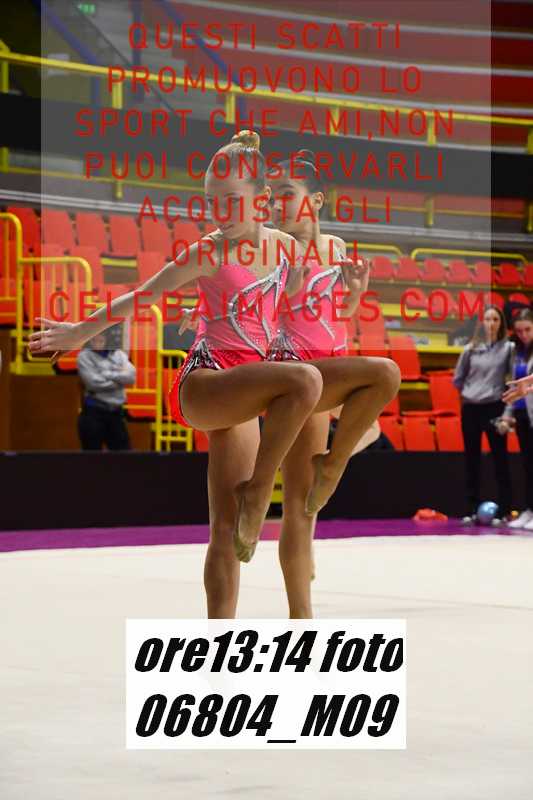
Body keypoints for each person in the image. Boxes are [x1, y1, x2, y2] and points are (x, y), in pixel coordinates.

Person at [266, 149, 400, 614]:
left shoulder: (336, 248)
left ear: (316, 200)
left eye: (287, 194)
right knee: (299, 507)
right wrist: (289, 288)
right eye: (272, 197)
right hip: (297, 374)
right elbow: (259, 319)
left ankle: (334, 464)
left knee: (369, 428)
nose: (277, 205)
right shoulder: (271, 250)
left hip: (332, 364)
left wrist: (356, 292)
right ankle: (300, 616)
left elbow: (339, 311)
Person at [453, 305, 514, 524]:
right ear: (482, 323)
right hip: (471, 409)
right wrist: (471, 392)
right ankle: (471, 508)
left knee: (500, 459)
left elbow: (512, 381)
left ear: (501, 323)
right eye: (487, 319)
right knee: (472, 459)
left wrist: (507, 412)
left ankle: (504, 510)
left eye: (495, 319)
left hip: (494, 407)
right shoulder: (470, 349)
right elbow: (458, 379)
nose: (491, 323)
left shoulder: (508, 348)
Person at [500, 309, 533, 529]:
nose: (524, 335)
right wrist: (507, 415)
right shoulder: (515, 352)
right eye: (519, 331)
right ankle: (529, 510)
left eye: (528, 329)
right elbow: (515, 387)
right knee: (527, 465)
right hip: (523, 414)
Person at [77, 331, 136, 450]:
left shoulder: (119, 354)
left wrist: (106, 374)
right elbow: (93, 383)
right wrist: (119, 381)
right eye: (94, 337)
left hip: (116, 413)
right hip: (94, 412)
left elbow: (131, 377)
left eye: (101, 336)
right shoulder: (84, 356)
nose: (97, 339)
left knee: (124, 455)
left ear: (107, 338)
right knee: (92, 456)